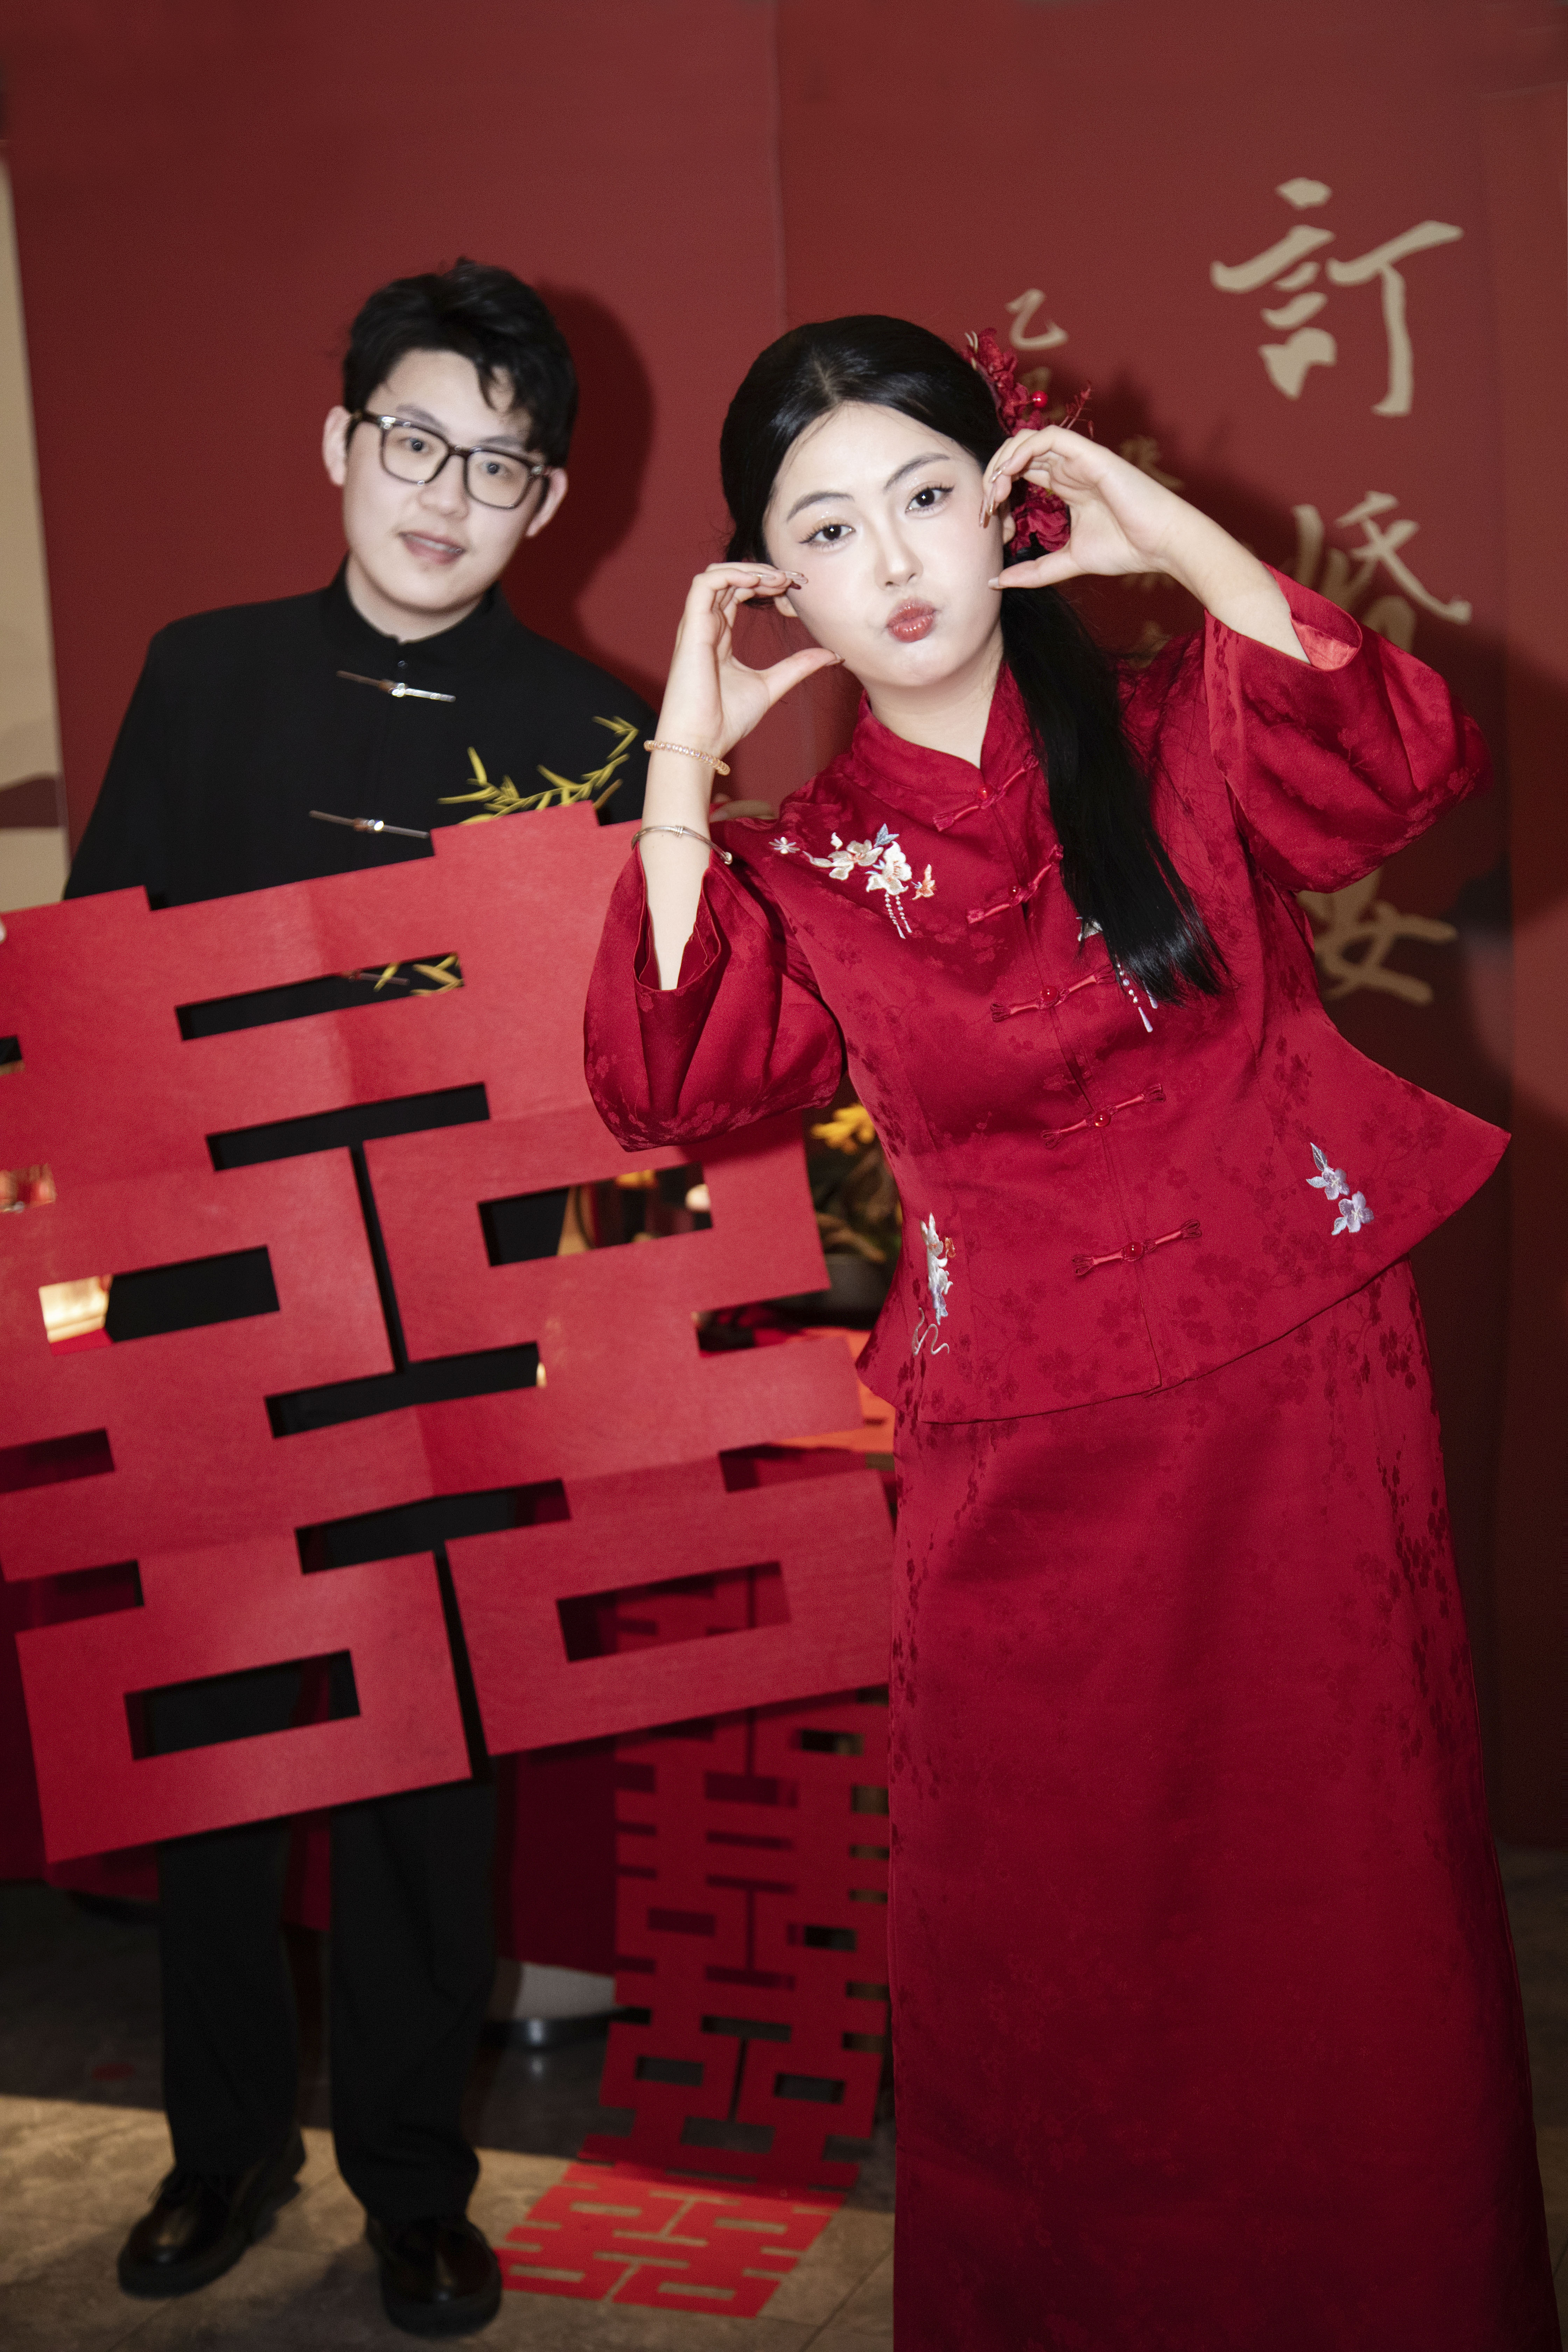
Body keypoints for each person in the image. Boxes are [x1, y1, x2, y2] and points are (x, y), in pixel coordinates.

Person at [582, 316, 1558, 2350]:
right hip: (1021, 1474)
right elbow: (666, 1079)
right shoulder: (799, 868)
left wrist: (1165, 534)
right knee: (1054, 1948)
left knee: (1348, 1917)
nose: (893, 560)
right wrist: (685, 753)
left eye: (926, 494)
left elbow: (1399, 759)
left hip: (1303, 1415)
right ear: (777, 589)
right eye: (825, 530)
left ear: (1008, 501)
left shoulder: (1178, 727)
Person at [68, 259, 652, 2337]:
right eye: (414, 440)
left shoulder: (597, 733)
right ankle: (218, 2152)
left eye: (496, 464)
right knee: (217, 1763)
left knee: (429, 1770)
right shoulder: (202, 673)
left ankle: (415, 2180)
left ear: (546, 498)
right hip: (212, 1310)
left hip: (448, 1326)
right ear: (340, 442)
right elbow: (99, 977)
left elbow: (611, 1057)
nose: (443, 494)